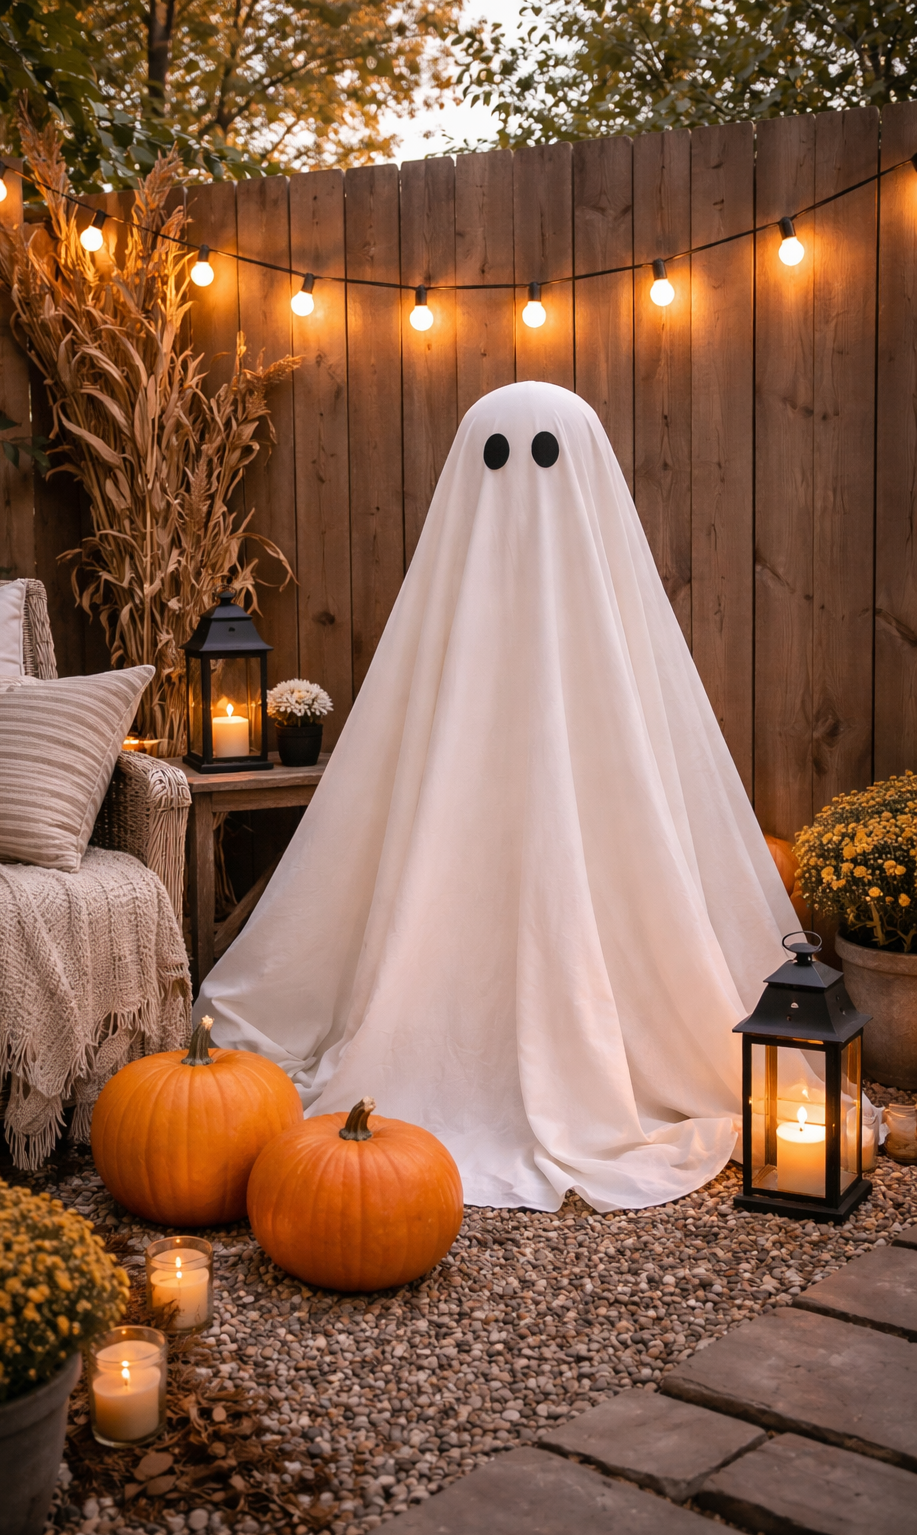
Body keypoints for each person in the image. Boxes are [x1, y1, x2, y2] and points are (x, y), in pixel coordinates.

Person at [198, 381, 795, 1212]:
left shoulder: (607, 627)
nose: (520, 481)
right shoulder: (448, 621)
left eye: (544, 457)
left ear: (579, 470)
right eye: (496, 458)